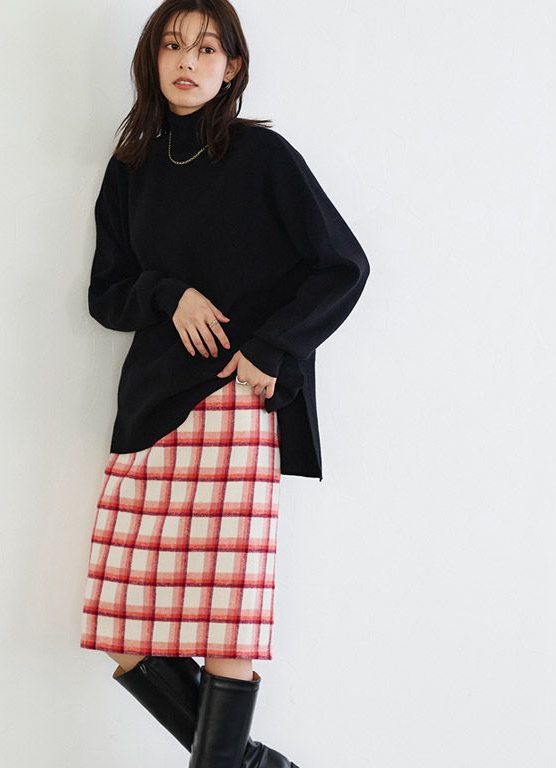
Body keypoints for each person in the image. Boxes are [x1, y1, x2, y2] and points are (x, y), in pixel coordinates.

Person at [79, 1, 370, 766]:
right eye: (173, 45)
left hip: (235, 407)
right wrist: (167, 293)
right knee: (123, 634)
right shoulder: (131, 168)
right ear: (151, 59)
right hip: (149, 413)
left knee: (225, 631)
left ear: (232, 66)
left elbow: (343, 267)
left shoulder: (263, 157)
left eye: (207, 48)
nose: (188, 60)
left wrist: (271, 348)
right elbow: (106, 294)